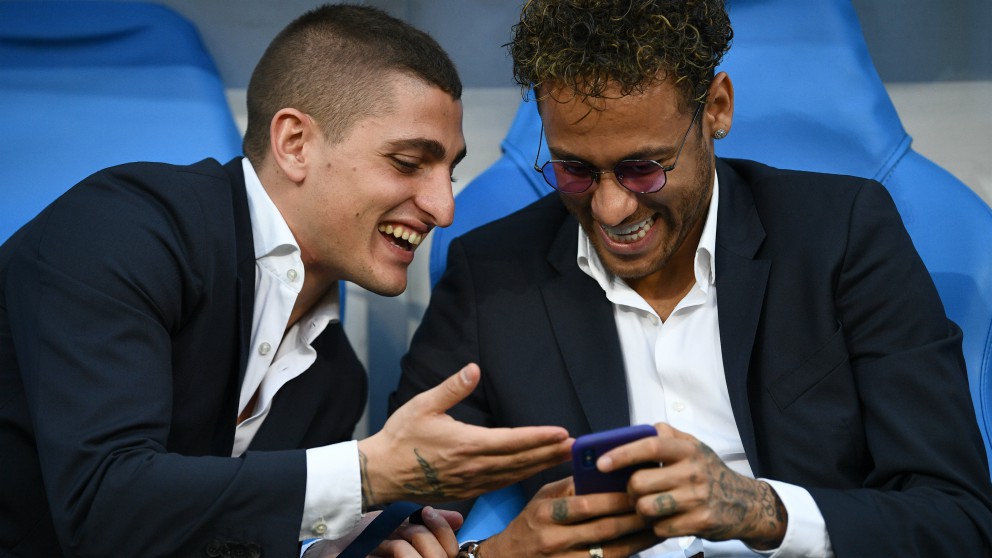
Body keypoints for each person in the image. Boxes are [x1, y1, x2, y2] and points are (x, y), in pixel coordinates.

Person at [391, 1, 992, 557]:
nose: (610, 210)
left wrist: (762, 511)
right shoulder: (492, 275)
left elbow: (957, 517)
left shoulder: (840, 237)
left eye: (643, 169)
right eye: (574, 170)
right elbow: (399, 521)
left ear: (716, 109)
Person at [0, 4, 574, 557]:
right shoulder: (122, 231)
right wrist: (367, 473)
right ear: (295, 143)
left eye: (448, 171)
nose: (443, 208)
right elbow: (102, 509)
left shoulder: (333, 378)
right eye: (407, 162)